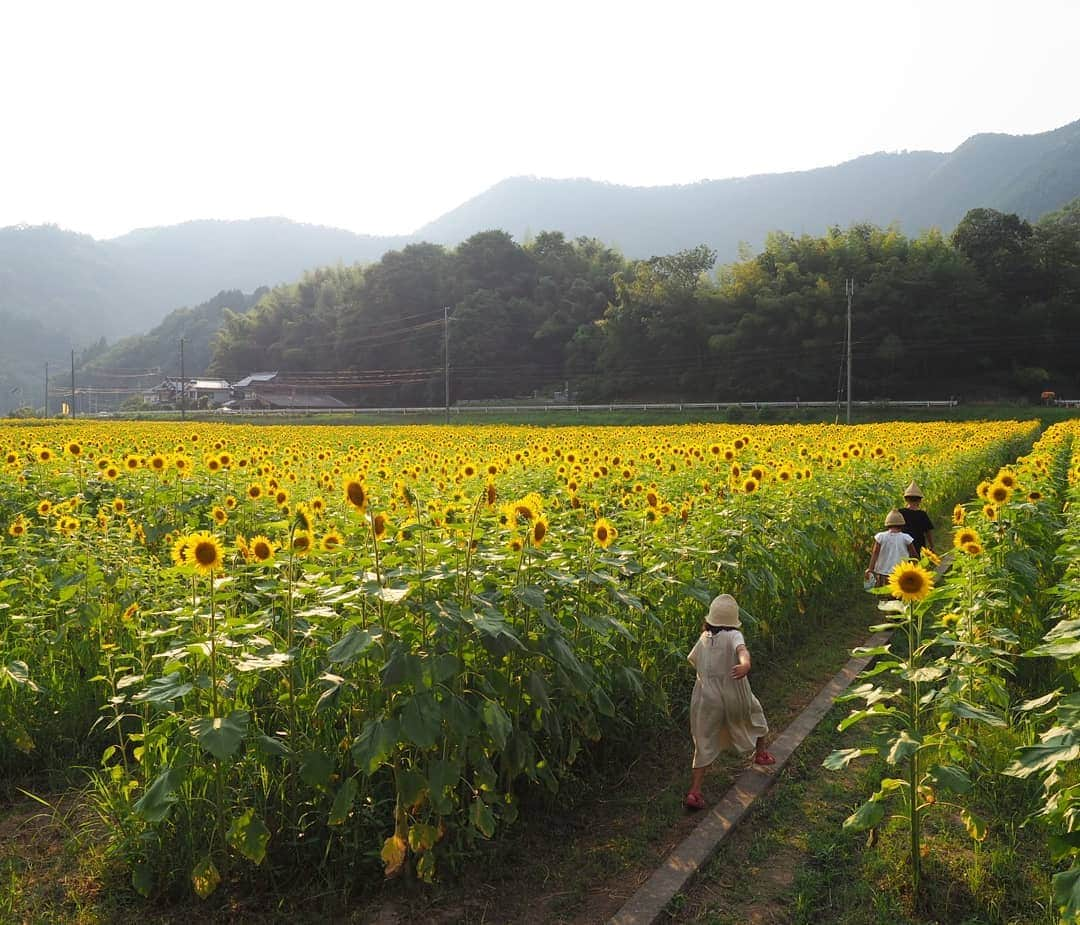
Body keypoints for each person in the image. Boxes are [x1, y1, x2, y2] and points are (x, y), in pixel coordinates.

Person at [685, 593, 773, 810]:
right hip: (734, 693)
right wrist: (745, 665)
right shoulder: (734, 635)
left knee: (703, 742)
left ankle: (695, 791)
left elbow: (693, 659)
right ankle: (760, 753)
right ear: (733, 620)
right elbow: (742, 651)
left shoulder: (704, 638)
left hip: (706, 697)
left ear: (711, 619)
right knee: (756, 714)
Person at [865, 510, 916, 587]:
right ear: (902, 525)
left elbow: (875, 552)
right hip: (901, 573)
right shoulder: (906, 538)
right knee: (898, 594)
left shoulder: (880, 536)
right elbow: (913, 555)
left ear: (887, 524)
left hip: (882, 572)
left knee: (883, 593)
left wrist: (870, 568)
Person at [899, 481, 934, 556]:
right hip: (919, 544)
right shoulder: (922, 514)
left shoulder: (900, 513)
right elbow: (928, 532)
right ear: (920, 500)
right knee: (918, 564)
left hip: (904, 544)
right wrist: (931, 546)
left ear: (906, 499)